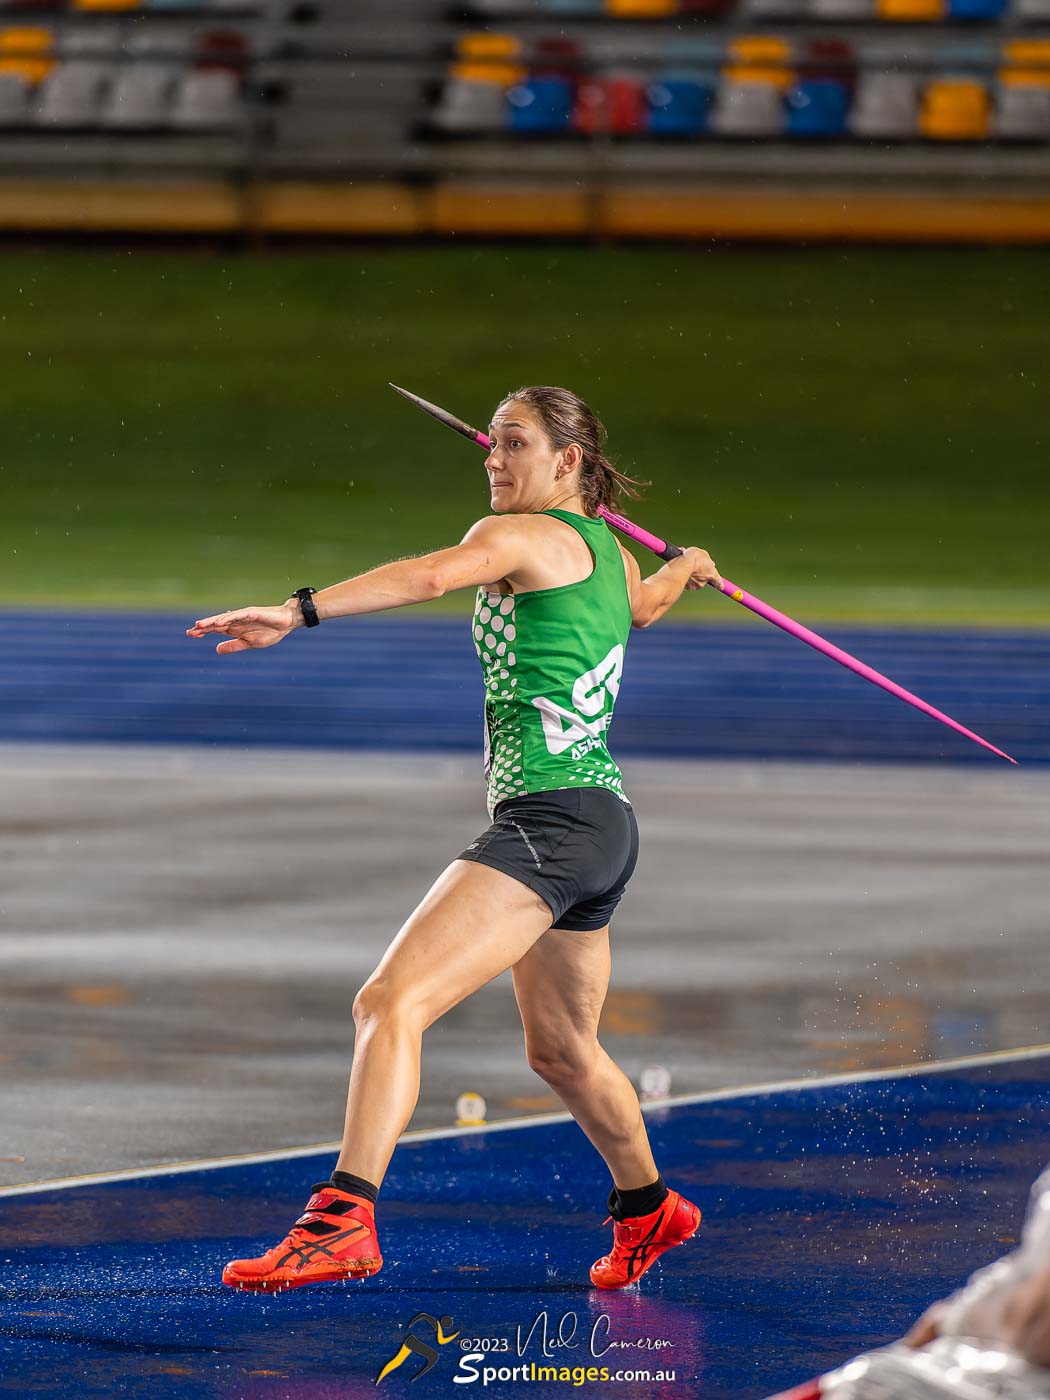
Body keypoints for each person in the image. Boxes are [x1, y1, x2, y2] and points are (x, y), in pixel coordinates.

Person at [186, 384, 723, 1294]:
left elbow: (433, 577)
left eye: (514, 443)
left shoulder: (510, 539)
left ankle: (342, 1220)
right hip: (603, 828)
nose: (493, 458)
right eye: (492, 443)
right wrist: (690, 569)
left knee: (386, 1003)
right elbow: (634, 613)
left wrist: (298, 609)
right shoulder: (604, 552)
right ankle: (650, 1210)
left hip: (550, 822)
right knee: (561, 1052)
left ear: (568, 462)